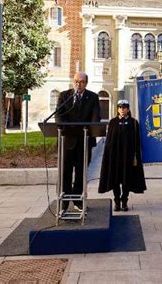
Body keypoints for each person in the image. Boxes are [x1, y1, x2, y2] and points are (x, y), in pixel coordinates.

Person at [55, 72, 101, 211]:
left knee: (81, 173)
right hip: (67, 141)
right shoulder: (64, 96)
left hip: (84, 141)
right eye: (76, 81)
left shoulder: (93, 97)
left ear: (86, 83)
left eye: (81, 82)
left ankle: (77, 200)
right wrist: (65, 128)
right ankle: (64, 202)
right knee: (65, 173)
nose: (78, 84)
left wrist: (88, 129)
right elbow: (58, 116)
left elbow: (95, 118)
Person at [98, 99, 146, 211]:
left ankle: (124, 200)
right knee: (115, 179)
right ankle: (117, 201)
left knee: (126, 179)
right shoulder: (113, 122)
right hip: (115, 156)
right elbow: (109, 141)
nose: (122, 110)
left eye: (124, 107)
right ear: (117, 109)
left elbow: (137, 141)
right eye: (120, 107)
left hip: (128, 157)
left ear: (128, 109)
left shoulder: (134, 123)